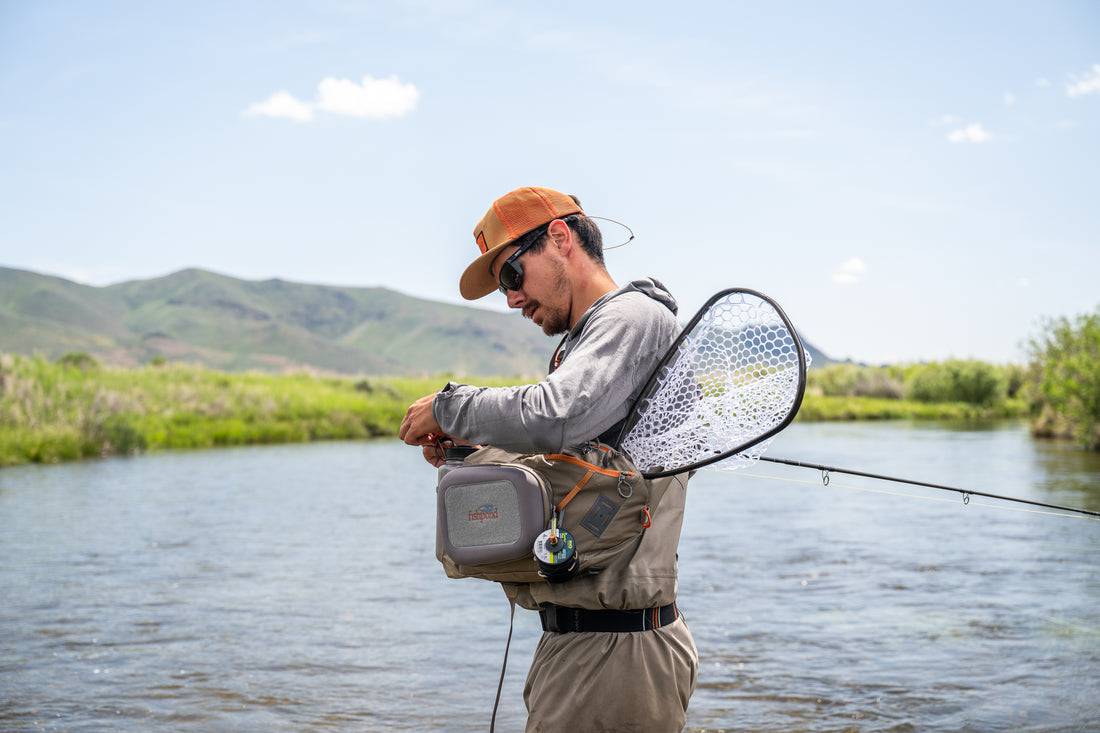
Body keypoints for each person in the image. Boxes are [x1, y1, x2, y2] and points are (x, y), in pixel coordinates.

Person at [400, 186, 698, 732]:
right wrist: (465, 449)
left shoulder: (632, 317)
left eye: (512, 276)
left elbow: (557, 415)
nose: (511, 300)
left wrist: (450, 406)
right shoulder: (592, 337)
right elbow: (572, 453)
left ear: (560, 238)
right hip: (586, 646)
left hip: (617, 653)